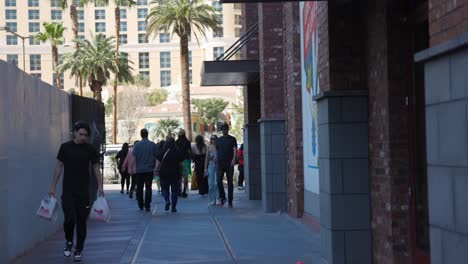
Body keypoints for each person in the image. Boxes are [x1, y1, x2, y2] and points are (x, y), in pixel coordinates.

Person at [48, 121, 104, 262]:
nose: (83, 137)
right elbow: (59, 167)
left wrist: (100, 186)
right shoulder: (65, 147)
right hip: (68, 191)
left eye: (86, 135)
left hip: (83, 192)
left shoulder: (90, 149)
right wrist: (53, 187)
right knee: (69, 218)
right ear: (74, 133)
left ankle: (79, 248)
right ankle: (68, 242)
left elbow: (96, 167)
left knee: (81, 221)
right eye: (81, 134)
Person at [155, 136, 184, 212]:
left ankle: (167, 200)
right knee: (174, 191)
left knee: (165, 189)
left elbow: (158, 162)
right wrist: (185, 171)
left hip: (164, 173)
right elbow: (181, 163)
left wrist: (156, 170)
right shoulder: (177, 151)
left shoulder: (162, 151)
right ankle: (173, 207)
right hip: (175, 173)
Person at [133, 129, 158, 212]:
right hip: (149, 170)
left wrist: (132, 168)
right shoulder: (152, 144)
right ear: (147, 134)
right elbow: (156, 156)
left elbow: (133, 157)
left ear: (141, 135)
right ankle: (147, 205)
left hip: (139, 170)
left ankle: (140, 204)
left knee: (139, 188)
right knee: (148, 187)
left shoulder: (137, 145)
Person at [216, 123, 237, 208]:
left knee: (230, 183)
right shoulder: (219, 140)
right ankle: (223, 198)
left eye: (225, 129)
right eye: (222, 129)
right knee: (218, 181)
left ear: (228, 130)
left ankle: (230, 201)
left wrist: (234, 159)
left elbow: (235, 150)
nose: (224, 131)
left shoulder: (232, 139)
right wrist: (216, 159)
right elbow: (217, 150)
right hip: (220, 163)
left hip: (229, 163)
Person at [175, 129, 192, 198]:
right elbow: (189, 151)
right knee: (185, 177)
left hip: (178, 161)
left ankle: (179, 191)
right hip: (186, 160)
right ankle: (184, 191)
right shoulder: (187, 142)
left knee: (179, 176)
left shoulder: (176, 142)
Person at [204, 134, 219, 206]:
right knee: (210, 184)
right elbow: (206, 158)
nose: (213, 140)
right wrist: (205, 168)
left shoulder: (219, 146)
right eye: (212, 139)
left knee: (217, 183)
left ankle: (219, 199)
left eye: (215, 138)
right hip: (210, 166)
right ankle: (212, 200)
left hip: (218, 166)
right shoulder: (209, 147)